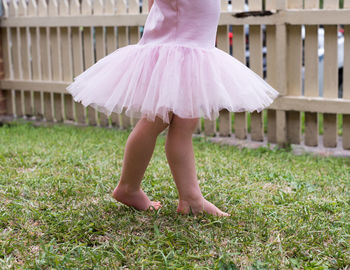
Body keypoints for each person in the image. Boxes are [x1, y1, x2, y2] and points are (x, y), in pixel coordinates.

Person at [66, 0, 279, 216]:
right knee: (158, 118)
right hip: (176, 46)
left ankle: (188, 197)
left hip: (192, 45)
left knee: (182, 121)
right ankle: (130, 187)